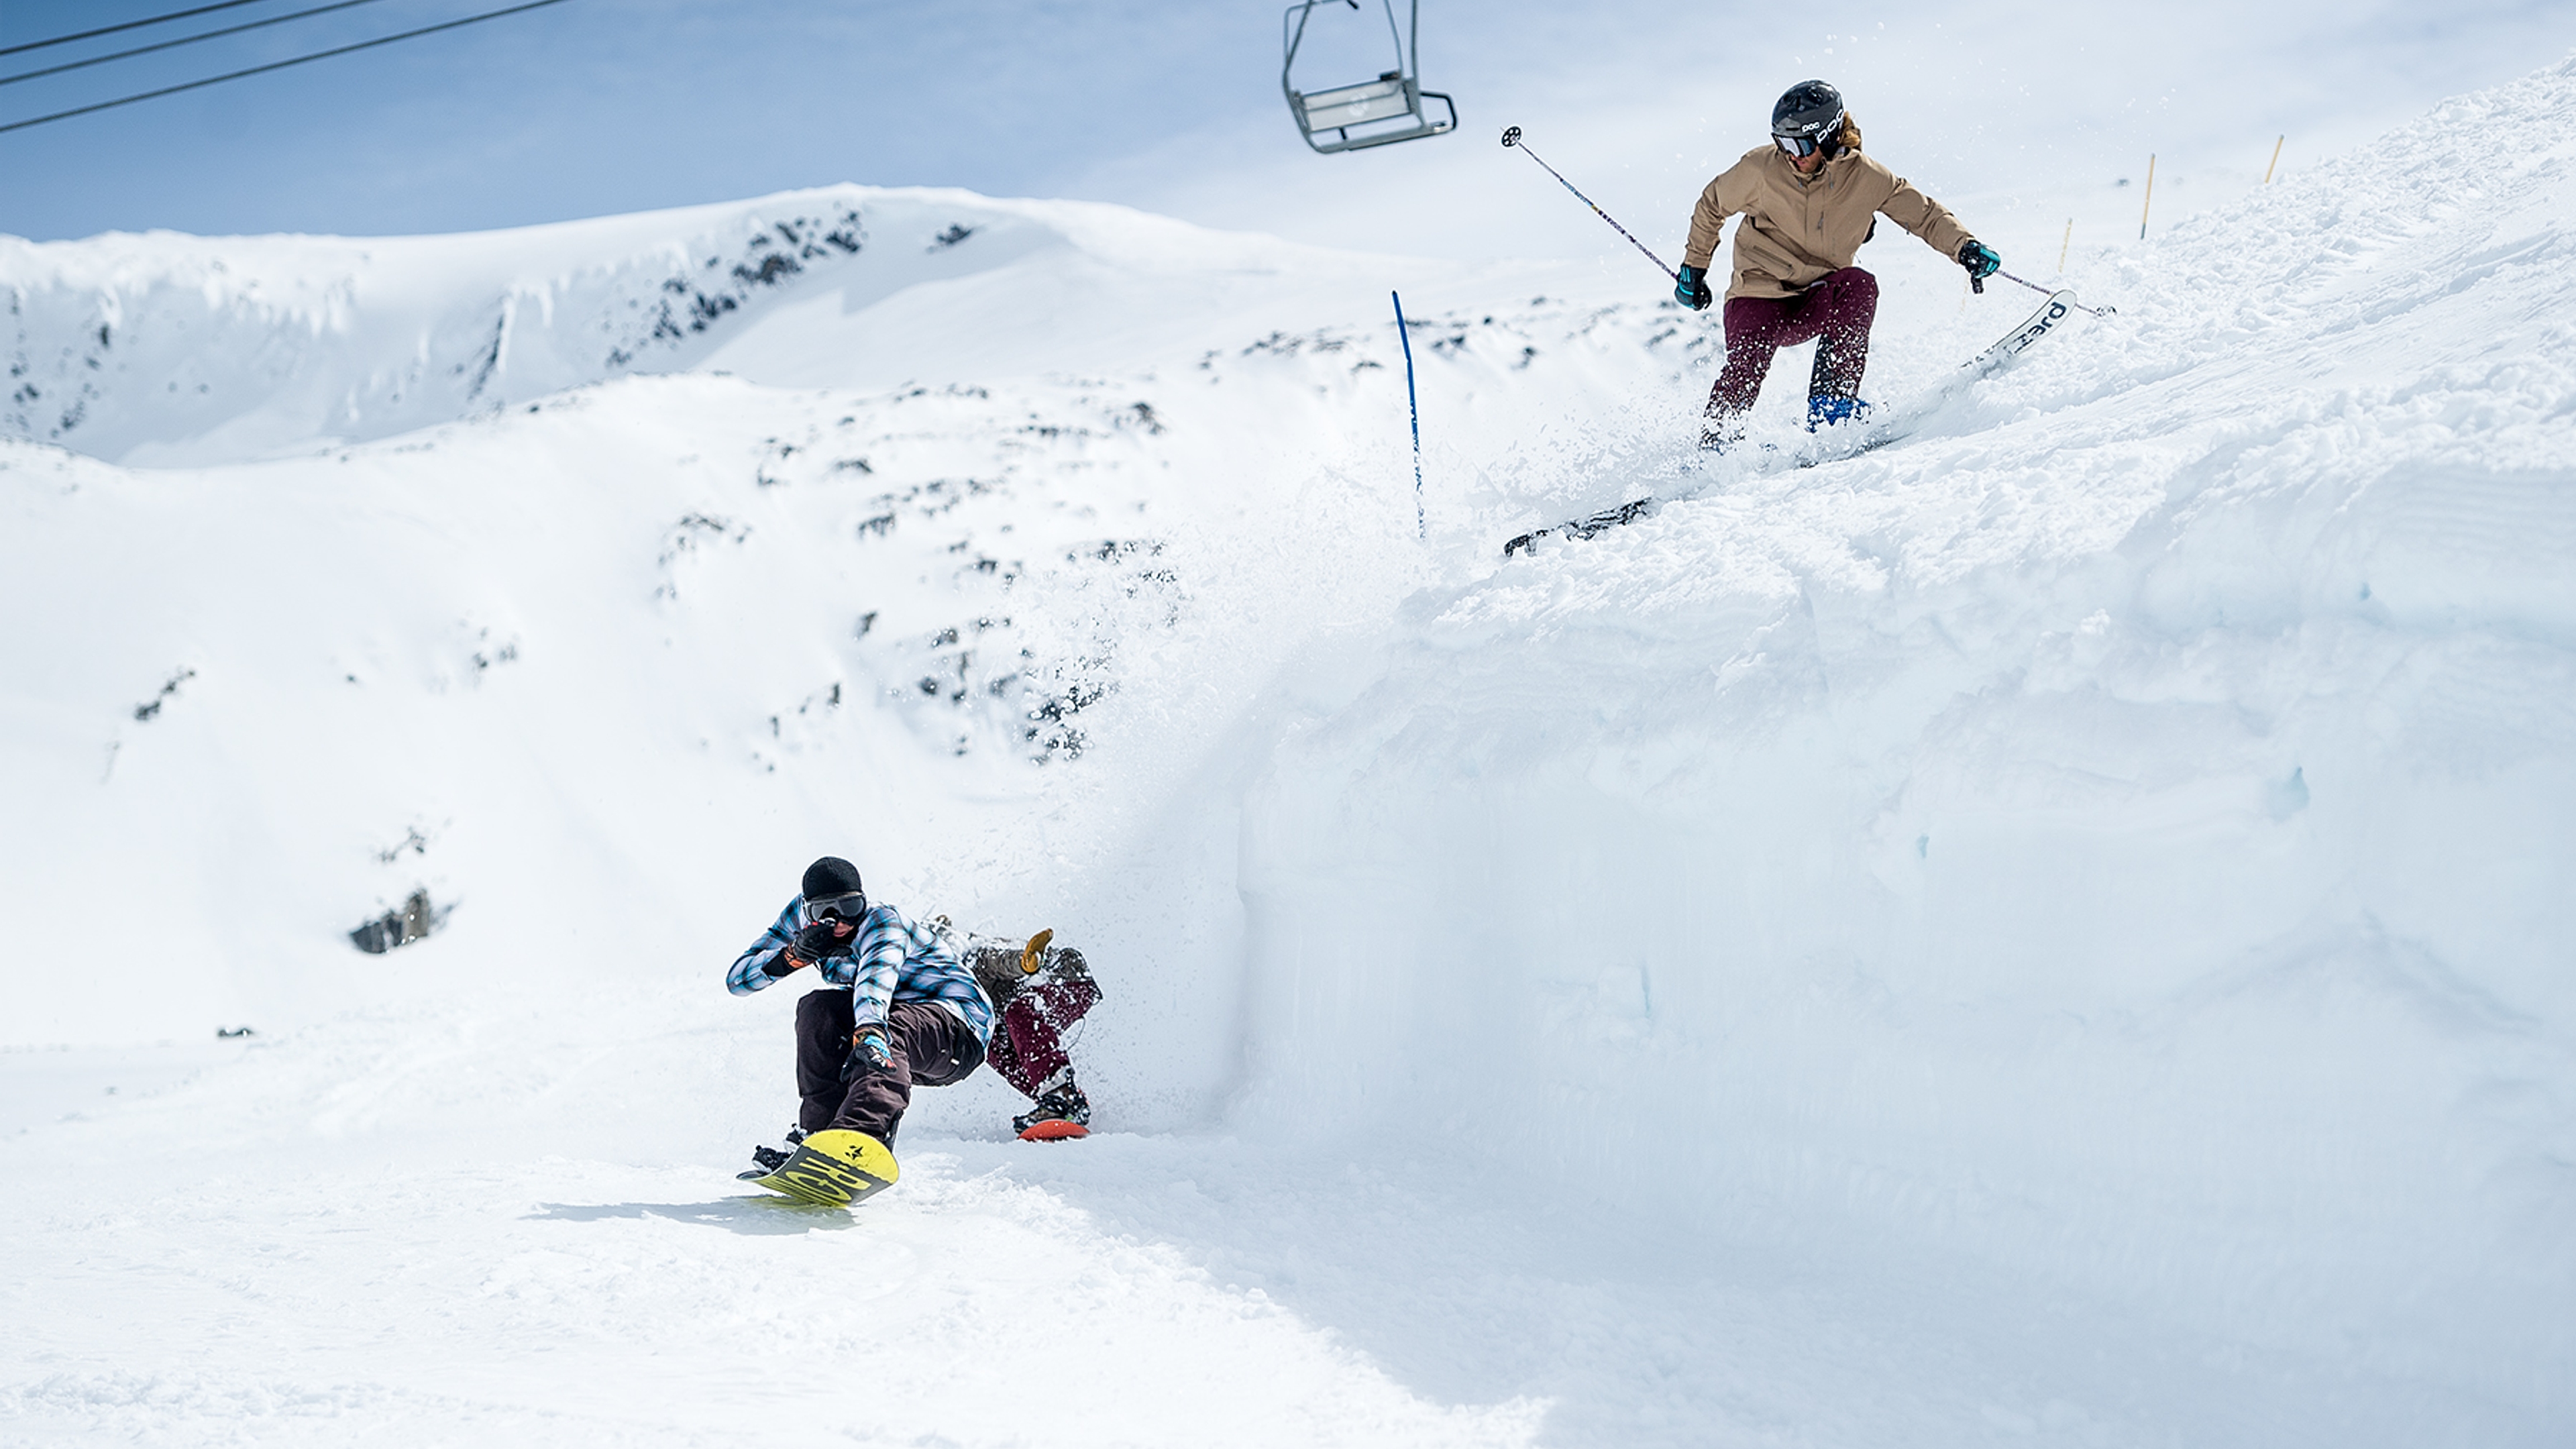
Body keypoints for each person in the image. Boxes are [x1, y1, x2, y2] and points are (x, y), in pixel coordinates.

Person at [1674, 79, 2002, 445]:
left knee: (1859, 284)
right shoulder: (1761, 168)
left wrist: (1965, 247)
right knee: (1748, 362)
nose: (1791, 155)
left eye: (1800, 145)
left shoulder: (1868, 178)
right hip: (1758, 291)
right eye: (1782, 143)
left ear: (1828, 136)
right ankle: (1714, 446)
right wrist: (1694, 269)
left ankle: (1832, 409)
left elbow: (1924, 215)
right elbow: (1712, 204)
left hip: (1816, 294)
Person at [725, 857, 993, 1180]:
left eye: (850, 907)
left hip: (957, 1030)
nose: (838, 921)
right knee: (817, 1009)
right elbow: (737, 981)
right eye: (824, 912)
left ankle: (862, 1135)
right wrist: (792, 956)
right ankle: (818, 1137)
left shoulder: (883, 923)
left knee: (890, 1027)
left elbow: (875, 983)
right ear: (809, 911)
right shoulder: (799, 917)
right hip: (895, 1034)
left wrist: (869, 1030)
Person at [938, 922, 1102, 1140]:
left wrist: (1025, 964)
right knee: (989, 1044)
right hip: (1022, 1004)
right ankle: (1059, 1100)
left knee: (1020, 1012)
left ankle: (1061, 1094)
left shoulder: (972, 957)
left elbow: (1001, 961)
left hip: (1067, 979)